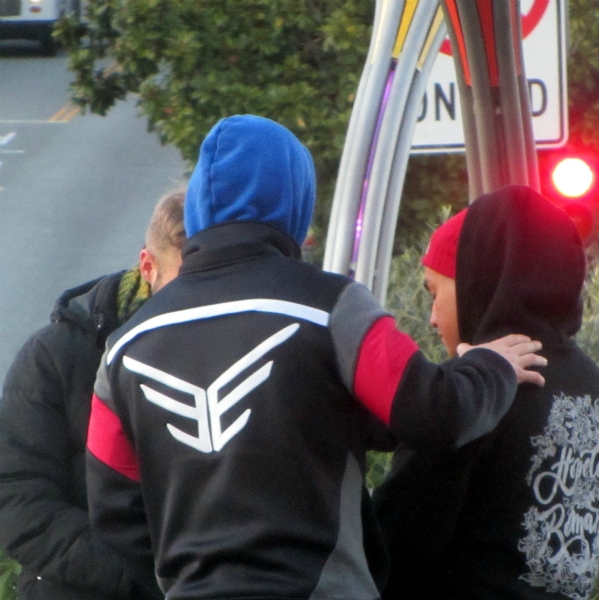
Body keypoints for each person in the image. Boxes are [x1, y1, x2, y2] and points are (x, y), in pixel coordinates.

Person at [85, 115, 546, 600]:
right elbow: (433, 412)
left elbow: (113, 508)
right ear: (295, 203)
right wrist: (490, 366)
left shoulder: (125, 347)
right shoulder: (331, 308)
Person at [373, 184, 599, 600]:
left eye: (434, 291)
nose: (432, 317)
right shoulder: (591, 383)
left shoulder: (470, 391)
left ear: (479, 284)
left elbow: (392, 549)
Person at [0, 189, 186, 600]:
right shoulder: (55, 356)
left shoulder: (226, 347)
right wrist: (144, 576)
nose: (193, 305)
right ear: (147, 267)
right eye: (182, 286)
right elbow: (19, 499)